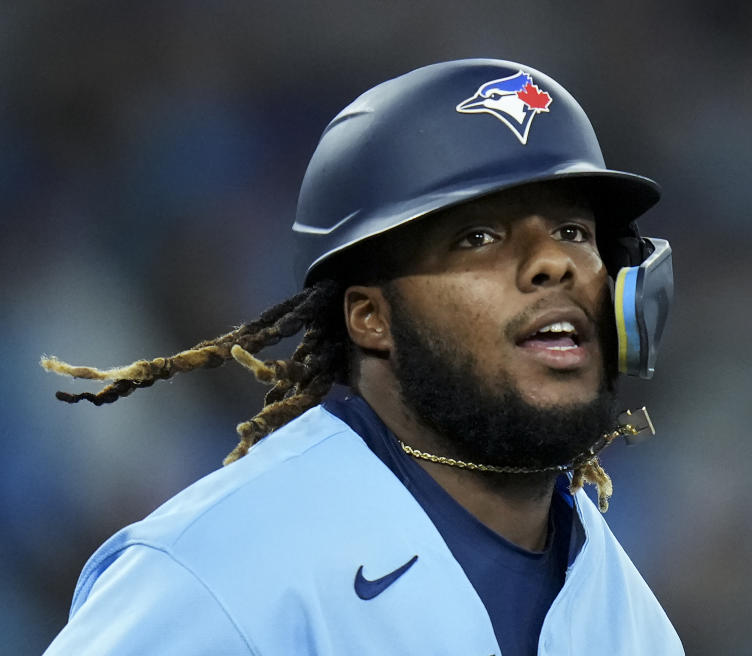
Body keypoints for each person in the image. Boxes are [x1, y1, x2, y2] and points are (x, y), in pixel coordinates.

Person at [41, 58, 682, 655]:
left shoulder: (630, 616)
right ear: (371, 318)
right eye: (478, 236)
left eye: (574, 232)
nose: (554, 263)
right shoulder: (217, 570)